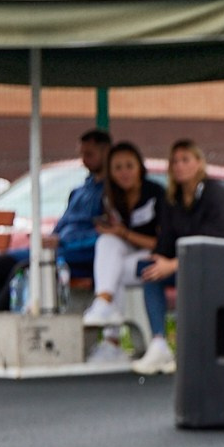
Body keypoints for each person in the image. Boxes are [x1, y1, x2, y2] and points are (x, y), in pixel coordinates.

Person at [0, 127, 110, 360]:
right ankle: (12, 325)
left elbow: (104, 236)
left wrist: (61, 242)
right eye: (82, 154)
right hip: (58, 251)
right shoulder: (79, 191)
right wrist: (50, 239)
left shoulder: (111, 193)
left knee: (25, 269)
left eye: (90, 154)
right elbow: (62, 226)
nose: (84, 160)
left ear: (106, 152)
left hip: (81, 257)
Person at [131, 139, 224, 376]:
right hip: (188, 265)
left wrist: (173, 264)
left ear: (199, 163)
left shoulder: (216, 196)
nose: (179, 166)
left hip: (223, 266)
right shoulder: (173, 200)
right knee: (150, 269)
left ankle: (188, 348)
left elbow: (217, 244)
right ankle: (159, 342)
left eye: (185, 160)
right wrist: (161, 260)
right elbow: (167, 242)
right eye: (174, 161)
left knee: (186, 274)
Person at [84, 141, 165, 363]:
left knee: (113, 267)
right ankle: (104, 304)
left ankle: (111, 339)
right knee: (106, 243)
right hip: (126, 255)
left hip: (155, 257)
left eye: (129, 166)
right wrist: (113, 230)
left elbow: (161, 242)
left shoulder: (156, 193)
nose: (124, 172)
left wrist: (125, 233)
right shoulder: (110, 197)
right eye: (117, 167)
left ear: (140, 167)